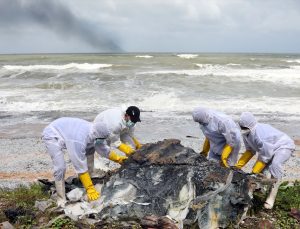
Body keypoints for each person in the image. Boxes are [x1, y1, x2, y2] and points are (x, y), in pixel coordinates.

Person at [42, 117, 116, 207]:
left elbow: (102, 147)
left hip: (67, 130)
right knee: (60, 167)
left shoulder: (95, 132)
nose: (102, 140)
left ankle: (88, 177)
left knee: (90, 148)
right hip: (53, 134)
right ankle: (61, 198)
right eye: (101, 138)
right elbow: (79, 164)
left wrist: (119, 159)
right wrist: (90, 189)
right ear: (96, 135)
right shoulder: (79, 140)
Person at [234, 112, 295, 209]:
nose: (243, 129)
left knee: (275, 164)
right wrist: (238, 166)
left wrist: (254, 172)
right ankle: (260, 192)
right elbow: (250, 151)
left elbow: (265, 157)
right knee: (260, 172)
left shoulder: (260, 135)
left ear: (250, 125)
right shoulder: (246, 134)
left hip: (284, 145)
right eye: (241, 127)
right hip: (269, 149)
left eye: (244, 127)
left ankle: (271, 197)